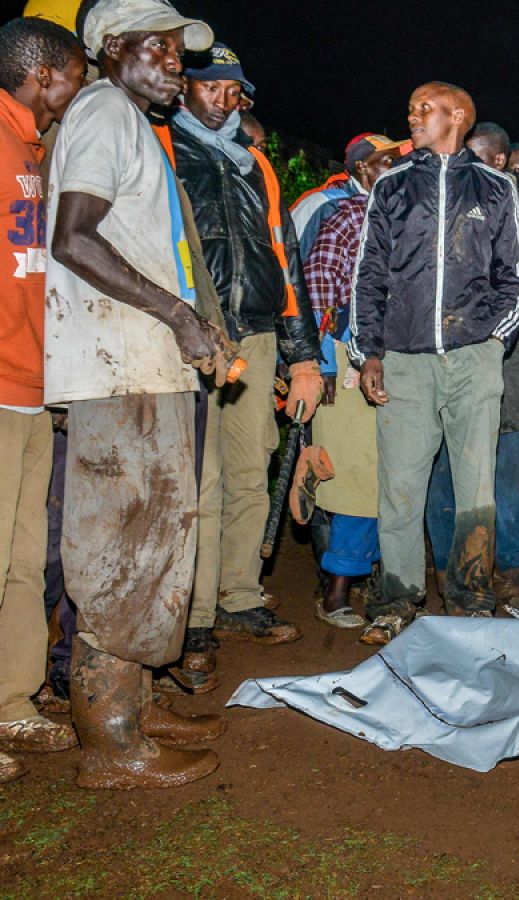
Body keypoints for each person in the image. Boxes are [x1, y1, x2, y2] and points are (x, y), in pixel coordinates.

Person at [48, 0, 229, 789]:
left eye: (179, 50)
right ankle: (110, 742)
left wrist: (190, 323)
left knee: (152, 544)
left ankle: (135, 706)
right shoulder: (103, 111)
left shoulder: (127, 120)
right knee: (120, 551)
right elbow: (73, 236)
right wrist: (178, 315)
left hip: (141, 365)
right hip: (116, 367)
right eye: (161, 47)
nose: (176, 63)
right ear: (113, 46)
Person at [349, 81, 519, 641]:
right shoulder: (393, 185)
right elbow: (369, 272)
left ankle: (471, 596)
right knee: (400, 486)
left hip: (473, 360)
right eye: (410, 108)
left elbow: (515, 277)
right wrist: (368, 351)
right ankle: (398, 598)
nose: (413, 116)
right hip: (404, 360)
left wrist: (491, 341)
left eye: (424, 109)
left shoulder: (495, 187)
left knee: (476, 485)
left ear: (457, 116)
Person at [168, 42, 320, 672]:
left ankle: (239, 595)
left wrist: (303, 357)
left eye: (233, 90)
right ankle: (194, 613)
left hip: (256, 333)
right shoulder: (164, 147)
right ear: (184, 87)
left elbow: (286, 259)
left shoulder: (254, 162)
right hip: (191, 333)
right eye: (211, 87)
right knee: (197, 478)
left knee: (250, 469)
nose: (223, 100)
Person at [425, 122, 519, 606]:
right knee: (447, 472)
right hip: (453, 361)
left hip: (515, 366)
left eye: (475, 155)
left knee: (511, 477)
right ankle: (453, 569)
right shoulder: (448, 203)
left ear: (499, 161)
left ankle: (513, 573)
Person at [0, 15, 86, 784]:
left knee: (26, 560)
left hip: (32, 390)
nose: (79, 90)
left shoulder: (32, 146)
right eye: (76, 76)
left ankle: (11, 701)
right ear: (45, 73)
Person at [301, 135, 402, 630]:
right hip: (348, 356)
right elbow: (318, 288)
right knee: (354, 475)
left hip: (398, 356)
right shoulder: (345, 216)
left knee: (388, 474)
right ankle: (336, 587)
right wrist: (321, 361)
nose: (395, 168)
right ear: (363, 169)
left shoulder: (400, 215)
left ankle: (366, 578)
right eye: (386, 161)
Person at [289, 133, 396, 260]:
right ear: (362, 166)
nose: (397, 168)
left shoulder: (387, 210)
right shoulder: (324, 204)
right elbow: (290, 259)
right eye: (389, 161)